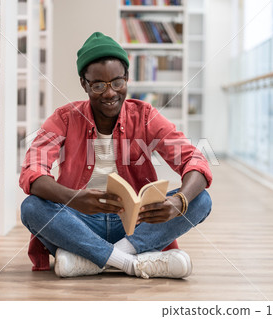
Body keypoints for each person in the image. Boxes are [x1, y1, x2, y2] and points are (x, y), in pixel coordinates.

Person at [20, 32, 212, 279]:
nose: (110, 93)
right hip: (79, 223)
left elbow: (193, 159)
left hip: (137, 224)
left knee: (200, 200)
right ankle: (132, 262)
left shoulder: (144, 116)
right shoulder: (65, 119)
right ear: (84, 84)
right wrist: (73, 198)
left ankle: (98, 259)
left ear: (127, 79)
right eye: (98, 85)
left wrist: (179, 202)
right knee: (31, 207)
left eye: (117, 82)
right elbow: (32, 170)